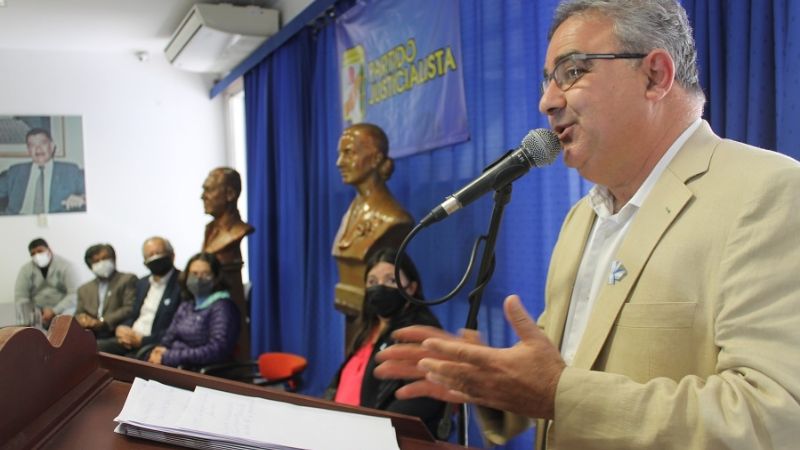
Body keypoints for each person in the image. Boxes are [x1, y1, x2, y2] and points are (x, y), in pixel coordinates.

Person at [374, 1, 800, 449]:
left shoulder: (767, 192)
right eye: (547, 80)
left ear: (655, 76)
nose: (547, 102)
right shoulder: (582, 217)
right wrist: (489, 381)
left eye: (573, 72)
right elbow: (563, 368)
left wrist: (559, 394)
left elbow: (775, 420)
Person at [324, 248, 447, 436]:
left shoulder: (420, 332)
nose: (379, 288)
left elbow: (422, 400)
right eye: (372, 282)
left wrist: (372, 432)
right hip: (341, 431)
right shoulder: (368, 329)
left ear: (411, 288)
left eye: (391, 280)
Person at [332, 123, 414, 317]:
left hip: (378, 315)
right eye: (340, 154)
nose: (339, 162)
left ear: (376, 159)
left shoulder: (394, 218)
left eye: (349, 153)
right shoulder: (351, 211)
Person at [147, 252, 240, 368]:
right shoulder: (187, 305)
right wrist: (160, 351)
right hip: (175, 365)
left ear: (216, 277)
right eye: (194, 274)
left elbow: (217, 349)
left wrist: (170, 357)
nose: (198, 279)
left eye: (205, 274)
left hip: (200, 371)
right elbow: (169, 336)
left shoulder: (224, 307)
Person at [96, 237, 182, 356]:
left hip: (153, 344)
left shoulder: (182, 283)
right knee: (93, 347)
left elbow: (179, 327)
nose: (155, 258)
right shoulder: (142, 283)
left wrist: (143, 341)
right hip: (129, 338)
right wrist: (122, 328)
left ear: (172, 255)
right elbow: (133, 314)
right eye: (150, 255)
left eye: (158, 253)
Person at [0, 128, 86, 215]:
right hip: (18, 220)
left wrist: (82, 198)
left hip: (55, 221)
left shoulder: (70, 171)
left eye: (43, 143)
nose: (38, 149)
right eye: (32, 145)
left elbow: (91, 192)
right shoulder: (15, 171)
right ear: (28, 150)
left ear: (52, 146)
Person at [75, 243, 137, 339]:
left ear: (113, 259)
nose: (101, 263)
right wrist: (83, 320)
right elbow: (79, 314)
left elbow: (129, 308)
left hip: (115, 332)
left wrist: (102, 322)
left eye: (105, 258)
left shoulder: (127, 279)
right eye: (96, 261)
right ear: (90, 266)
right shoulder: (83, 289)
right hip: (90, 334)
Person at [14, 238, 78, 329]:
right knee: (26, 326)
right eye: (33, 254)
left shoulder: (67, 266)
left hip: (63, 309)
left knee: (66, 322)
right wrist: (35, 314)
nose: (37, 255)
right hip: (38, 313)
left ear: (49, 250)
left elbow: (74, 294)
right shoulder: (25, 270)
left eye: (40, 251)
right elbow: (21, 297)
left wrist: (54, 311)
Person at [201, 167, 254, 266]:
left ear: (230, 194)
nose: (203, 196)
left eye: (209, 190)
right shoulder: (209, 228)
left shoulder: (239, 230)